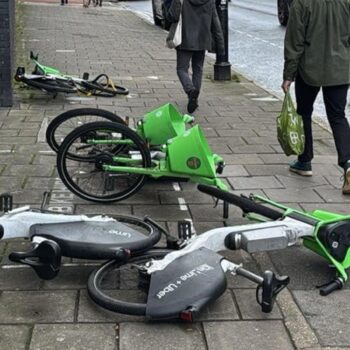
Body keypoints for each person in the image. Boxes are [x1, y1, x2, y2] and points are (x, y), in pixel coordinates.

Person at [282, 0, 350, 194]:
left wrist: (288, 75)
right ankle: (348, 163)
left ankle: (304, 161)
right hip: (339, 68)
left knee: (304, 112)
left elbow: (295, 41)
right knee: (338, 116)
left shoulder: (303, 3)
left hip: (309, 69)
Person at [167, 0, 225, 113]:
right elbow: (216, 24)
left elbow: (172, 16)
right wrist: (221, 45)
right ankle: (194, 99)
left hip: (185, 39)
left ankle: (190, 91)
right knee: (198, 69)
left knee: (181, 69)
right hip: (202, 40)